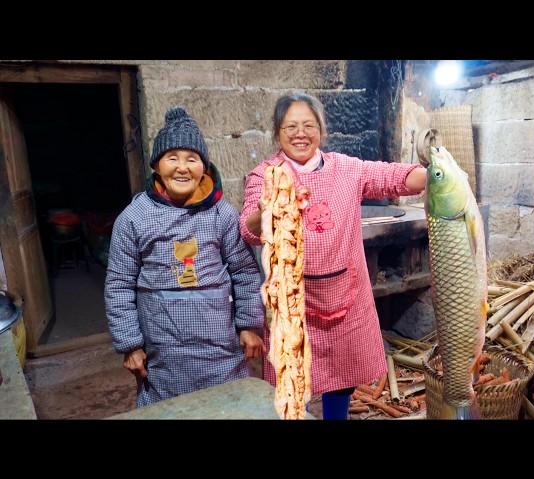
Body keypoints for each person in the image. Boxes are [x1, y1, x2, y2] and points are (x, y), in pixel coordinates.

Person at [240, 92, 427, 419]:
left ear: (321, 131)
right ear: (278, 132)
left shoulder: (346, 169)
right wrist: (266, 209)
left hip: (345, 296)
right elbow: (249, 229)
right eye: (291, 127)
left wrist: (438, 176)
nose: (301, 134)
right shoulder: (266, 174)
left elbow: (392, 178)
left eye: (309, 125)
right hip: (292, 304)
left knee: (342, 377)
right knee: (294, 382)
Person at [105, 106, 265, 408]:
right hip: (163, 352)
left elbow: (244, 272)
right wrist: (130, 344)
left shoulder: (222, 214)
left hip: (220, 350)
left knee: (228, 408)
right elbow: (119, 285)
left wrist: (249, 324)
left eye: (192, 159)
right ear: (157, 165)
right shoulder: (134, 218)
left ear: (204, 166)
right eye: (172, 158)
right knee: (170, 412)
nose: (182, 167)